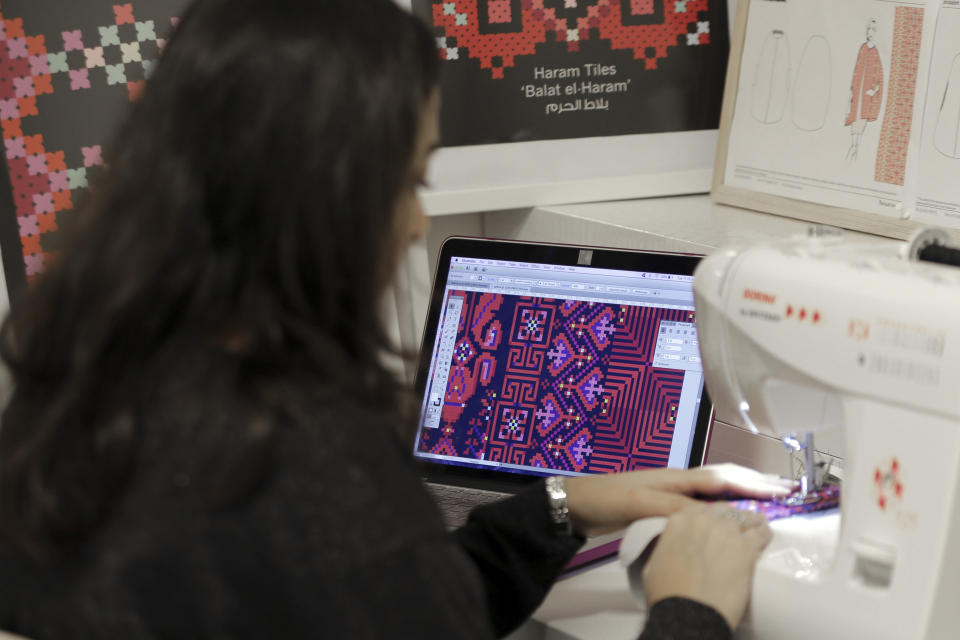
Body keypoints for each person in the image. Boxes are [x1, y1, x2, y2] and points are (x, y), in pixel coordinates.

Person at [0, 0, 790, 638]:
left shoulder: (83, 385)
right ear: (324, 203)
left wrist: (562, 505)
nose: (416, 226)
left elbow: (398, 610)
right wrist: (689, 609)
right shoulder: (308, 463)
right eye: (409, 184)